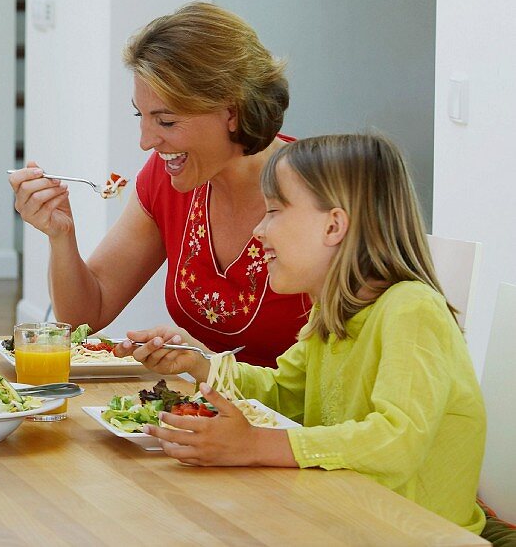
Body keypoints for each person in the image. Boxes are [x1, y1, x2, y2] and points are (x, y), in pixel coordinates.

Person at [115, 133, 505, 540]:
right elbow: (285, 394)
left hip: (418, 533)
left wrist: (256, 446)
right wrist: (200, 362)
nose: (259, 230)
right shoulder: (329, 310)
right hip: (341, 516)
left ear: (333, 225)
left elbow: (396, 440)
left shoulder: (412, 308)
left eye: (273, 212)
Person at [10, 2, 308, 366]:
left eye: (166, 121)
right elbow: (86, 317)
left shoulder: (318, 193)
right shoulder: (166, 179)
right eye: (141, 116)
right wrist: (60, 236)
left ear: (232, 111)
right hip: (200, 413)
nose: (146, 141)